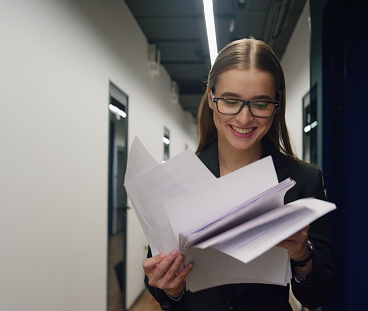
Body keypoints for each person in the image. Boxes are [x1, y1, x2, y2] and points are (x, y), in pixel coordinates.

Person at [142, 38, 334, 311]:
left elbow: (318, 296)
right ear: (211, 97)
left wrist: (302, 255)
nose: (244, 119)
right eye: (230, 101)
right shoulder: (176, 180)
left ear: (277, 102)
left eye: (260, 103)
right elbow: (163, 290)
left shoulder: (303, 180)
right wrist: (171, 288)